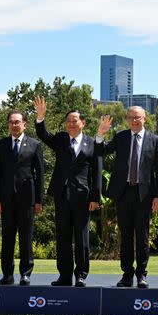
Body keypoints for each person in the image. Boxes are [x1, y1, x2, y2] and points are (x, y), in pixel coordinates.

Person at [34, 96, 102, 287]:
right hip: (62, 194)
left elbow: (97, 172)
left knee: (82, 238)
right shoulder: (61, 140)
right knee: (63, 237)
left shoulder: (92, 143)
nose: (71, 124)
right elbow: (43, 134)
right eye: (68, 121)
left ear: (83, 123)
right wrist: (40, 117)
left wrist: (95, 197)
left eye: (75, 121)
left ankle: (81, 274)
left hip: (82, 196)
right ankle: (64, 276)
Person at [95, 106, 158, 289]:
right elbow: (101, 152)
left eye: (138, 117)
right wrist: (100, 135)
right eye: (131, 117)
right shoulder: (121, 137)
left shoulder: (155, 140)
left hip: (144, 195)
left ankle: (141, 275)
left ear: (145, 119)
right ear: (127, 120)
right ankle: (127, 275)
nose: (134, 120)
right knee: (125, 236)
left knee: (142, 236)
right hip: (123, 193)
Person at [0, 110, 44, 286]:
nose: (14, 125)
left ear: (24, 124)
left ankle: (25, 274)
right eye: (11, 122)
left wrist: (39, 200)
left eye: (17, 122)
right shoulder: (1, 145)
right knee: (7, 238)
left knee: (26, 238)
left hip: (27, 199)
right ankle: (7, 274)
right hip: (6, 199)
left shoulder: (35, 145)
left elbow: (40, 175)